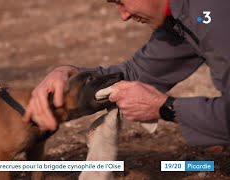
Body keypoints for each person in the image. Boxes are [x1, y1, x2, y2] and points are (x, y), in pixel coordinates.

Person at [23, 0, 230, 145]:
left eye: (121, 1)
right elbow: (138, 73)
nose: (123, 16)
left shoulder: (215, 15)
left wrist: (166, 108)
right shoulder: (181, 17)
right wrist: (70, 74)